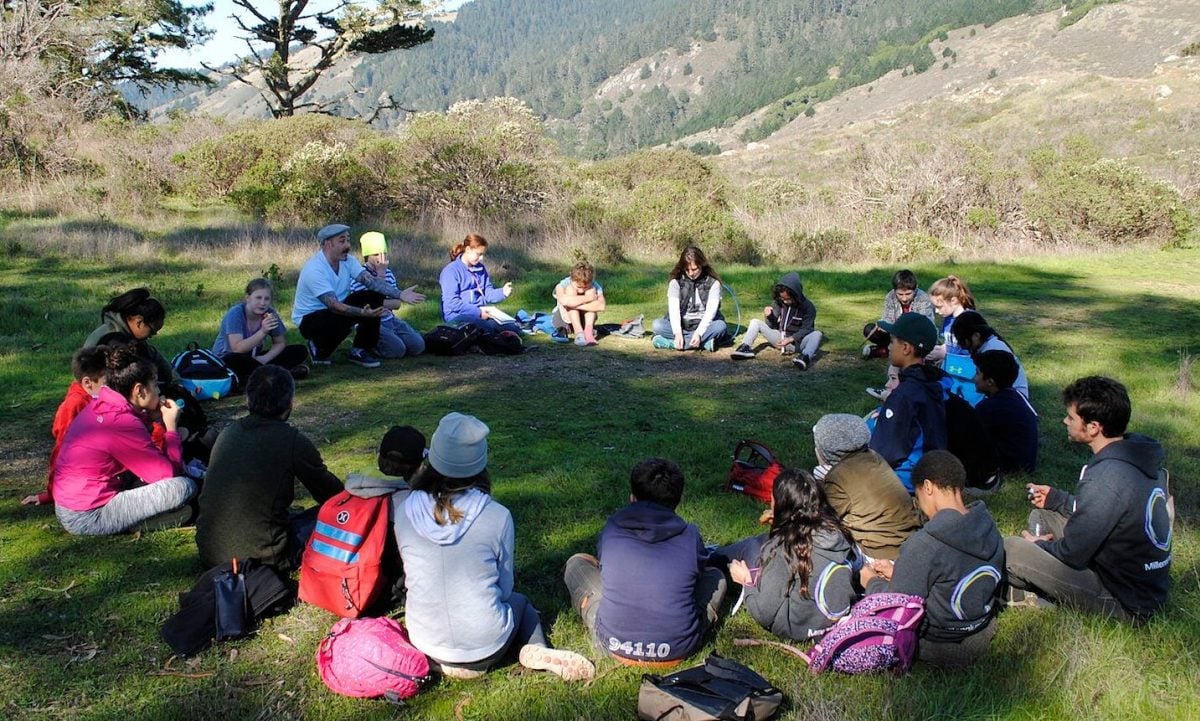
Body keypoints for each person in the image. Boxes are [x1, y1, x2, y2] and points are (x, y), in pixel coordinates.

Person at [393, 412, 593, 681]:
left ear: (432, 457)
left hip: (424, 640)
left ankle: (444, 661)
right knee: (521, 603)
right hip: (486, 645)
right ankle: (535, 647)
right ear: (480, 463)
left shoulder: (404, 510)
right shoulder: (497, 516)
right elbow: (506, 586)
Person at [1004, 376, 1171, 621]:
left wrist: (1038, 545)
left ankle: (1034, 592)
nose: (1064, 421)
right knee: (1044, 512)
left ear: (1093, 427)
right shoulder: (1135, 455)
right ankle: (1037, 587)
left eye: (1071, 417)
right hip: (1144, 585)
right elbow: (1108, 511)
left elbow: (1073, 553)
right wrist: (1058, 499)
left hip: (1124, 600)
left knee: (1013, 549)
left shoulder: (1106, 476)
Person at [563, 458, 726, 666]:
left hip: (613, 645)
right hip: (678, 649)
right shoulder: (690, 535)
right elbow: (700, 574)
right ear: (679, 499)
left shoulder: (613, 528)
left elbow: (604, 567)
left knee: (577, 564)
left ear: (632, 498)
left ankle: (595, 608)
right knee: (716, 576)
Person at [859, 451, 1004, 669]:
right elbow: (954, 570)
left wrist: (870, 581)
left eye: (917, 497)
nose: (921, 507)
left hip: (940, 633)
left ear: (928, 487)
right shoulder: (986, 523)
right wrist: (899, 572)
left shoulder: (925, 544)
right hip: (979, 619)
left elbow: (895, 607)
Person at [195, 365, 343, 570]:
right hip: (262, 558)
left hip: (210, 553)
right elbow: (333, 495)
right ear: (290, 403)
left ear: (248, 399)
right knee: (336, 518)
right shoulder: (291, 441)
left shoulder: (227, 433)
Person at [51, 346, 197, 536]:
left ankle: (157, 515)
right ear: (139, 390)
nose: (159, 390)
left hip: (70, 504)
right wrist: (170, 428)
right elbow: (170, 475)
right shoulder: (122, 422)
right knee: (184, 486)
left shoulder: (104, 404)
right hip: (89, 514)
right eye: (154, 385)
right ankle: (139, 522)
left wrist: (150, 418)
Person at [722, 468, 860, 642]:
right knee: (762, 541)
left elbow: (764, 613)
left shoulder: (784, 548)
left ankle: (707, 557)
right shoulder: (838, 535)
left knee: (751, 546)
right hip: (828, 623)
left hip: (795, 627)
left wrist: (747, 582)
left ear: (780, 505)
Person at [83, 287, 207, 444]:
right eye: (153, 331)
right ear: (139, 322)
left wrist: (174, 383)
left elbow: (158, 362)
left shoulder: (130, 336)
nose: (152, 336)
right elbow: (123, 381)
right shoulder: (113, 339)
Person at [292, 223, 405, 368]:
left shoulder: (348, 261)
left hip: (334, 311)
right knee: (344, 315)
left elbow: (371, 282)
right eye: (342, 241)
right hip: (310, 319)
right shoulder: (314, 269)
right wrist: (363, 313)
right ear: (327, 244)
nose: (347, 245)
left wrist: (401, 294)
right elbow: (333, 306)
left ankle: (360, 349)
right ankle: (317, 345)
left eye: (348, 240)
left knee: (372, 296)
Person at [812, 414, 920, 560]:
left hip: (880, 554)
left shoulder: (838, 477)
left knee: (817, 537)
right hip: (908, 541)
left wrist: (820, 483)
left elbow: (819, 517)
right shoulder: (874, 457)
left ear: (824, 449)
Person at [868, 313, 948, 493]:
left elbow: (884, 453)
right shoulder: (937, 382)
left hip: (907, 479)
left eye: (892, 342)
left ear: (905, 348)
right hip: (934, 469)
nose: (888, 347)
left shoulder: (904, 395)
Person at [24, 346, 112, 506]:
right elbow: (61, 450)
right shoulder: (75, 406)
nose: (113, 387)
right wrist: (50, 494)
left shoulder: (98, 397)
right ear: (88, 382)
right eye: (108, 382)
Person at [212, 278, 310, 387]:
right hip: (228, 359)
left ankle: (263, 375)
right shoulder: (236, 314)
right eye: (258, 298)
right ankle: (277, 375)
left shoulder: (269, 313)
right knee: (233, 359)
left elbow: (280, 342)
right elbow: (237, 349)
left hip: (255, 359)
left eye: (267, 299)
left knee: (299, 351)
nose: (262, 303)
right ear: (248, 298)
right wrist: (263, 331)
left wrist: (265, 358)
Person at [348, 231, 428, 359]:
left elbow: (396, 304)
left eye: (384, 253)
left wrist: (388, 301)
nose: (381, 257)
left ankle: (402, 338)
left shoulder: (388, 273)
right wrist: (381, 275)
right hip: (371, 324)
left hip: (390, 319)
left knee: (418, 346)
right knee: (397, 350)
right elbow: (372, 303)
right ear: (367, 256)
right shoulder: (360, 276)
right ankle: (368, 346)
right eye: (375, 254)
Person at [730, 272, 823, 370]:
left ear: (796, 295)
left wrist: (791, 338)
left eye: (788, 299)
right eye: (782, 298)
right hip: (780, 339)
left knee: (817, 334)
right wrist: (769, 316)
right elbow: (771, 325)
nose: (785, 301)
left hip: (799, 344)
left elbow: (807, 329)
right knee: (755, 322)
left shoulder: (808, 307)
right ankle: (745, 348)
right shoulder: (779, 302)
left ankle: (805, 358)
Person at [972, 351, 1038, 474]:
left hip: (1009, 468)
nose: (973, 378)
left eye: (977, 373)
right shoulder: (1016, 395)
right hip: (1026, 463)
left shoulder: (989, 407)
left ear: (990, 382)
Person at [651, 245, 727, 352]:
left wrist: (699, 333)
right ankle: (704, 343)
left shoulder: (714, 283)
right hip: (682, 325)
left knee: (720, 326)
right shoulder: (675, 282)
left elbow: (710, 314)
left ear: (702, 265)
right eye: (687, 270)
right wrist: (677, 333)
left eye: (694, 269)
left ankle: (671, 344)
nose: (691, 273)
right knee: (657, 325)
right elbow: (674, 312)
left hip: (704, 326)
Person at [438, 234, 518, 333]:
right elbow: (452, 303)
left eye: (483, 254)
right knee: (487, 328)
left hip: (481, 312)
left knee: (513, 328)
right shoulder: (450, 271)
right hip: (457, 315)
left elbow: (487, 293)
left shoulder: (481, 268)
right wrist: (478, 312)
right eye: (479, 254)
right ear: (467, 250)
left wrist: (503, 293)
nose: (481, 258)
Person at [951, 310, 1031, 402]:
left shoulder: (993, 351)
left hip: (1010, 400)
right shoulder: (988, 344)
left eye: (962, 341)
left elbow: (992, 386)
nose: (962, 346)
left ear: (976, 336)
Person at [862, 269, 936, 360]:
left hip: (916, 337)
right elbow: (887, 319)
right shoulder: (890, 296)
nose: (904, 298)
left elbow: (925, 326)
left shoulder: (923, 298)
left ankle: (886, 351)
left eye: (908, 294)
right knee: (869, 329)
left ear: (915, 288)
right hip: (896, 333)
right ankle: (890, 350)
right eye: (900, 294)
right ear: (894, 290)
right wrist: (883, 325)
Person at [550, 261, 606, 346]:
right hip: (564, 321)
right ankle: (579, 333)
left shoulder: (594, 285)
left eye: (585, 287)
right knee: (570, 290)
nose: (581, 290)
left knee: (591, 291)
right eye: (579, 287)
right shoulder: (563, 284)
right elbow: (565, 301)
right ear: (572, 279)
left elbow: (601, 306)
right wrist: (588, 298)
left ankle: (588, 332)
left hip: (583, 319)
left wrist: (576, 305)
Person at [926, 275, 977, 364]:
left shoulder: (969, 321)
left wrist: (945, 354)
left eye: (939, 307)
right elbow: (951, 344)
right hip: (953, 367)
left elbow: (972, 353)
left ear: (953, 301)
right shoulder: (948, 319)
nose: (937, 311)